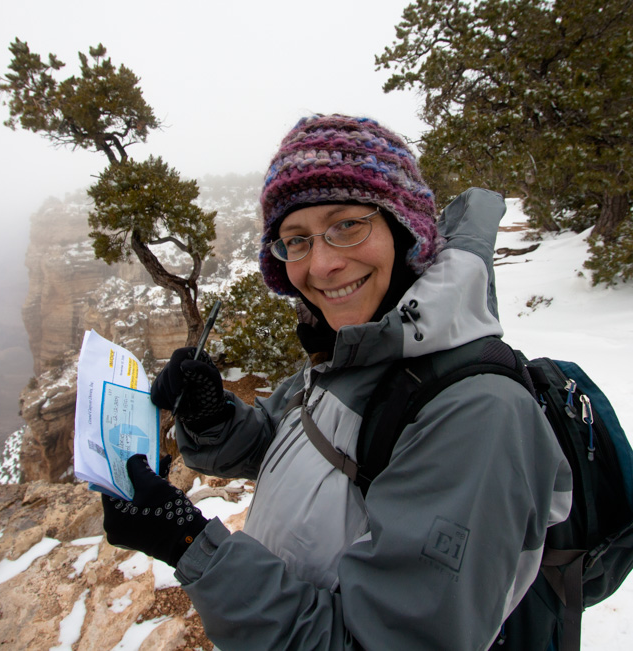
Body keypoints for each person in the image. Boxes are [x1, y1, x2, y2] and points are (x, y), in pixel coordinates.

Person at [102, 114, 572, 650]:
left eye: (347, 224)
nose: (321, 264)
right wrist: (210, 415)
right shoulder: (358, 352)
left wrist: (190, 545)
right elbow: (287, 448)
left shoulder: (478, 413)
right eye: (295, 240)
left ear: (402, 228)